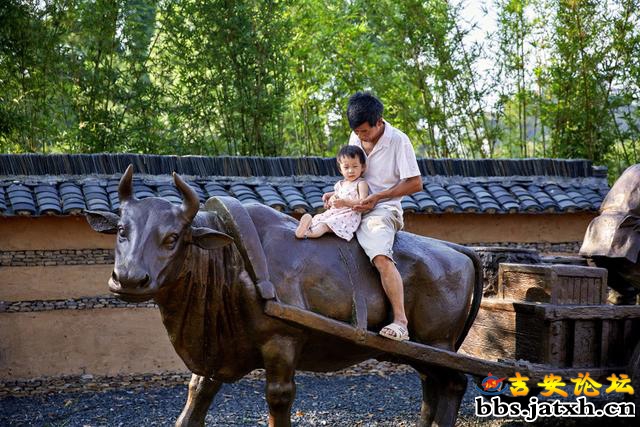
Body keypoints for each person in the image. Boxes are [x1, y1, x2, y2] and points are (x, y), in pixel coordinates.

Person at [323, 91, 422, 341]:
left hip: (383, 209)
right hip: (353, 205)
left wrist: (378, 197)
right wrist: (338, 193)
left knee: (380, 257)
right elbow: (352, 174)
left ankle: (400, 321)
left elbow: (415, 184)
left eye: (365, 132)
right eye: (357, 133)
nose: (361, 137)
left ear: (379, 121)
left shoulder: (399, 141)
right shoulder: (356, 135)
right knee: (318, 230)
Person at [296, 145, 369, 240]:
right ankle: (306, 226)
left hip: (347, 216)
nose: (351, 171)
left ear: (362, 167)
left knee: (324, 225)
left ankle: (306, 233)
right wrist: (329, 197)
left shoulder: (361, 183)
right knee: (318, 219)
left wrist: (344, 202)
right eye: (346, 167)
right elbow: (338, 194)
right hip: (334, 212)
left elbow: (363, 202)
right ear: (340, 169)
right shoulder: (340, 184)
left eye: (355, 166)